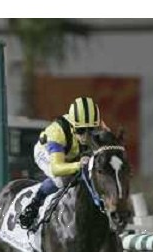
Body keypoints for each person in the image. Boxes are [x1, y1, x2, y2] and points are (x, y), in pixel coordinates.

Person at [18, 96, 106, 230]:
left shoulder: (95, 128)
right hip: (47, 152)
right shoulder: (58, 132)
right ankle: (34, 205)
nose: (86, 136)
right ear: (72, 125)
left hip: (70, 152)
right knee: (61, 179)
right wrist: (78, 165)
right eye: (81, 131)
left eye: (91, 130)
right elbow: (56, 168)